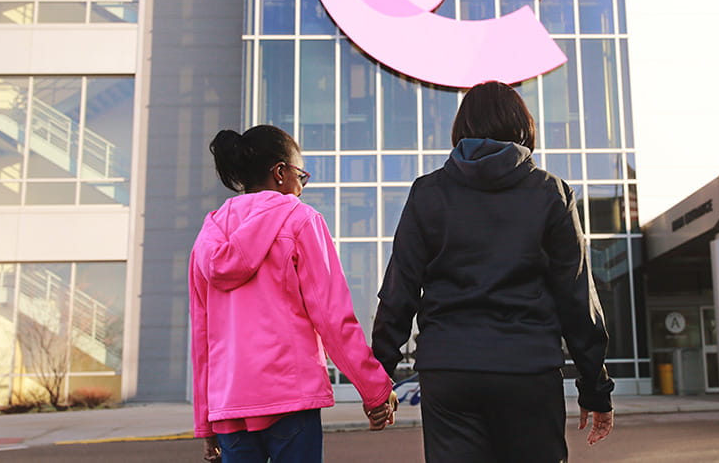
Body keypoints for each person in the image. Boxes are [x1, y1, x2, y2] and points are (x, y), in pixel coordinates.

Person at [372, 81, 616, 463]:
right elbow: (576, 297)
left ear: (462, 128)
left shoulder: (427, 193)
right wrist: (595, 389)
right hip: (527, 369)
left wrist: (379, 376)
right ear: (523, 125)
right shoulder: (551, 193)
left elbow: (399, 291)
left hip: (449, 370)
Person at [189, 125, 398, 463]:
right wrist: (374, 388)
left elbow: (202, 338)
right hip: (291, 398)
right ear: (281, 173)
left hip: (231, 407)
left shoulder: (207, 238)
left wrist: (206, 423)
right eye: (302, 175)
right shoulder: (301, 221)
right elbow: (332, 317)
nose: (301, 187)